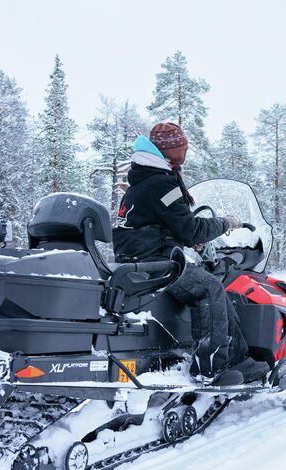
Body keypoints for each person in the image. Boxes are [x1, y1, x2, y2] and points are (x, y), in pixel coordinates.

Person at [113, 122, 266, 386]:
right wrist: (225, 224)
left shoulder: (143, 181)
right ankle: (210, 368)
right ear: (172, 150)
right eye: (182, 146)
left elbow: (158, 225)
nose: (185, 151)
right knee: (209, 287)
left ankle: (238, 358)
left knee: (210, 284)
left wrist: (184, 241)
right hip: (157, 263)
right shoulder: (161, 183)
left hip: (138, 260)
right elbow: (191, 229)